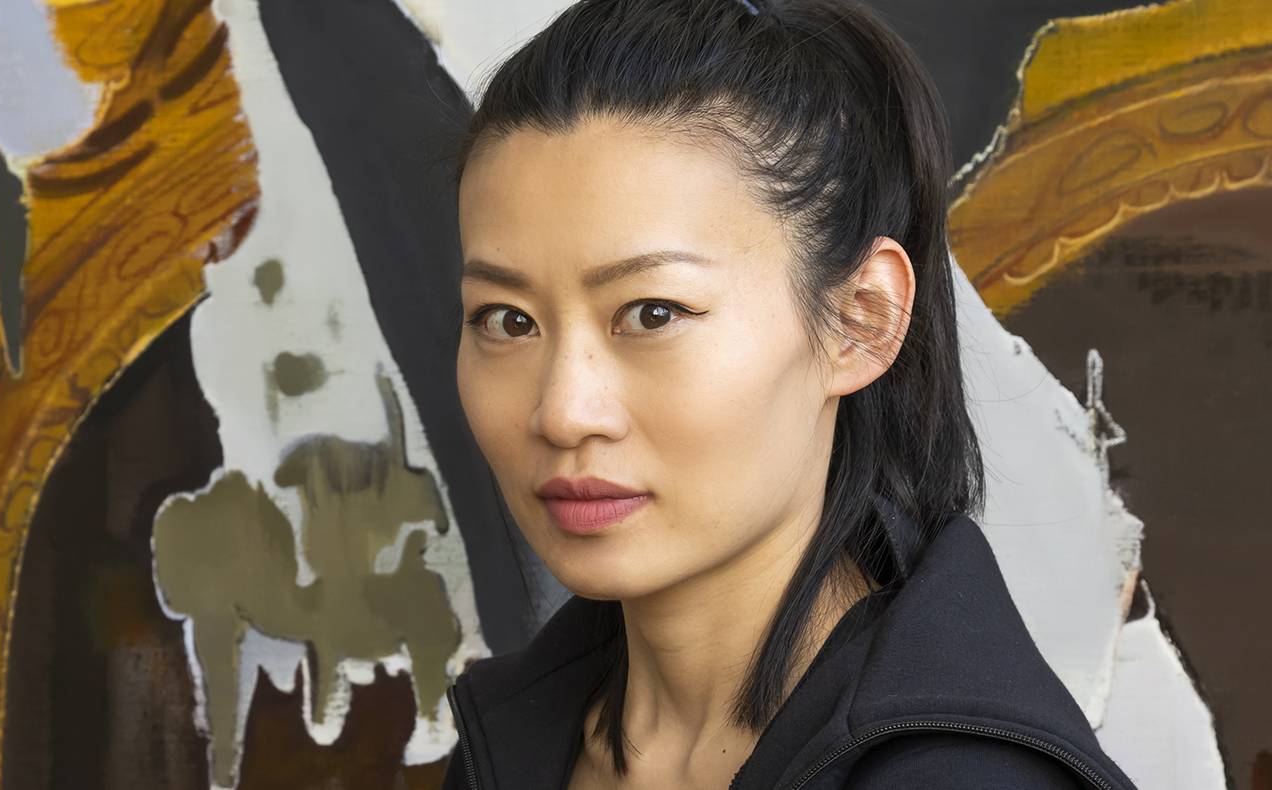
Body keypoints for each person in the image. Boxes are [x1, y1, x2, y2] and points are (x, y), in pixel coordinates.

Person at [441, 0, 1140, 787]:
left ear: (861, 320)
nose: (563, 412)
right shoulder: (506, 748)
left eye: (653, 313)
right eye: (508, 320)